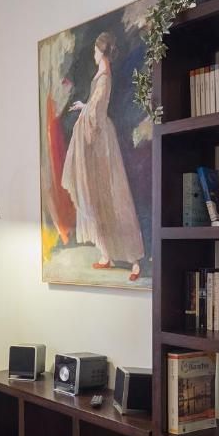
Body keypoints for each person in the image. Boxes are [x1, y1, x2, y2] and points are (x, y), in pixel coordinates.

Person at [61, 32, 145, 281]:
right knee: (96, 193)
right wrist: (83, 107)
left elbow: (97, 110)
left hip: (99, 140)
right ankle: (106, 253)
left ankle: (134, 260)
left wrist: (83, 107)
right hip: (94, 138)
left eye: (96, 51)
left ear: (101, 51)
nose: (94, 54)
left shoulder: (105, 74)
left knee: (112, 193)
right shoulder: (102, 73)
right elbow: (94, 107)